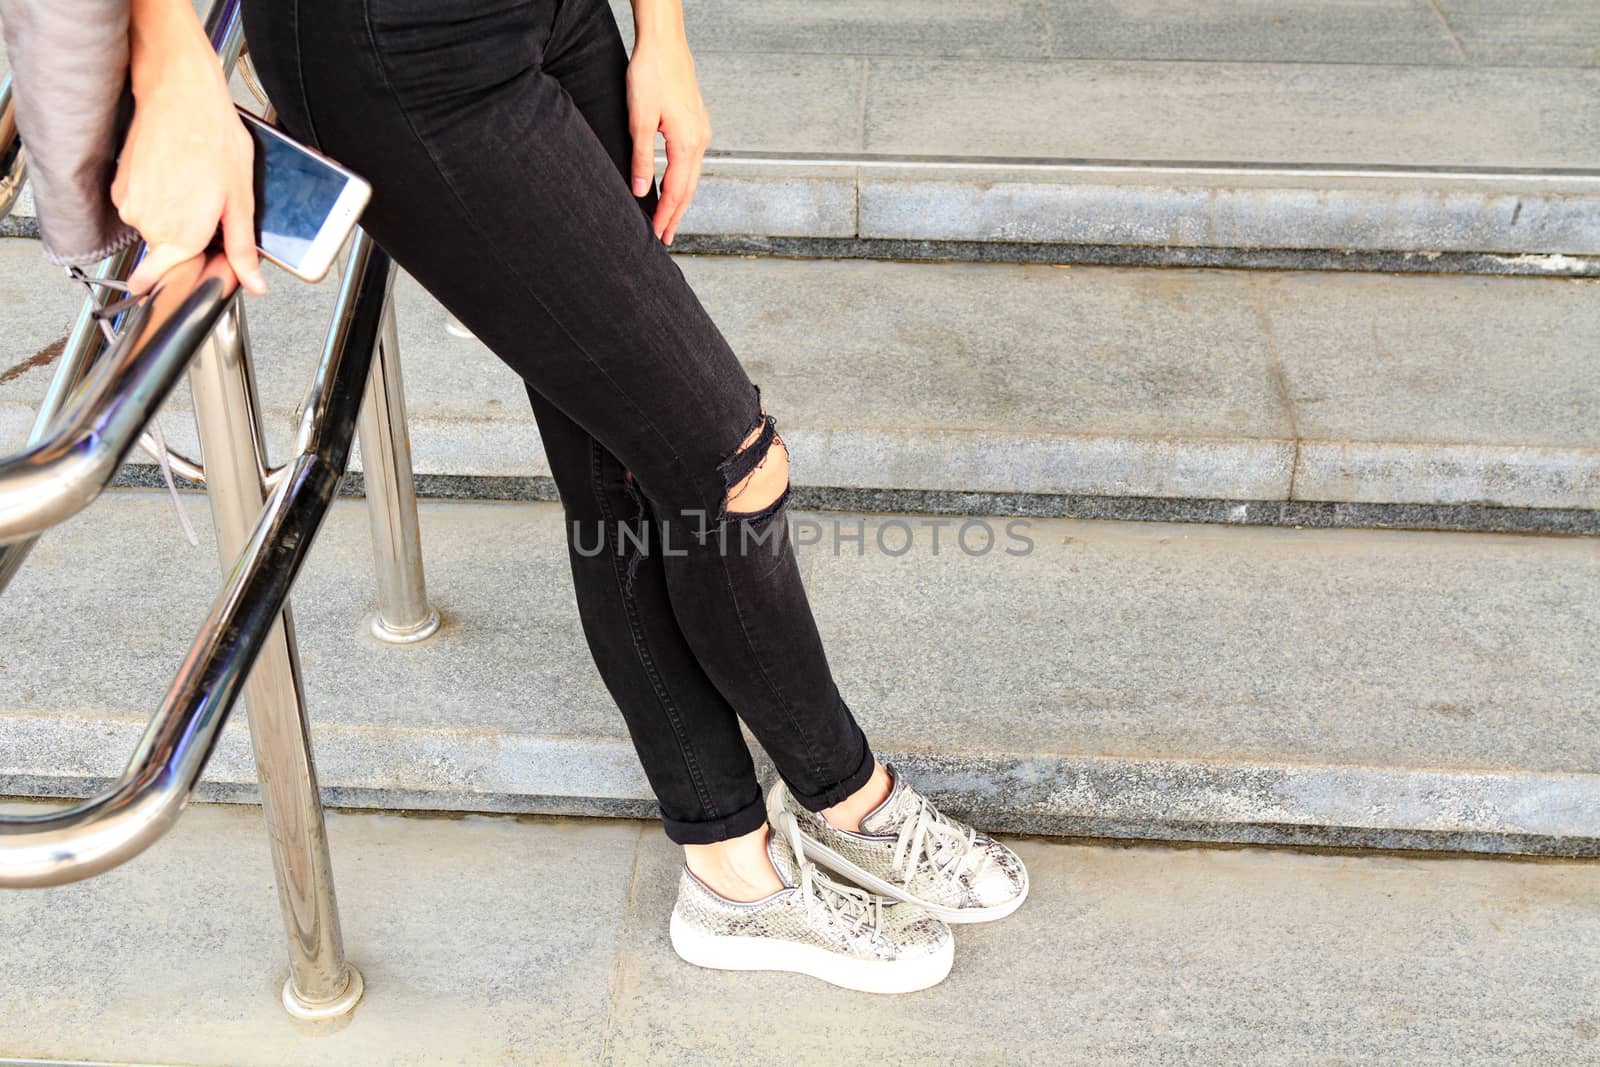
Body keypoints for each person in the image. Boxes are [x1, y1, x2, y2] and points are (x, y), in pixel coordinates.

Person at [116, 0, 1028, 993]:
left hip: (550, 18)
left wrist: (664, 34)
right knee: (729, 463)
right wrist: (173, 67)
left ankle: (728, 860)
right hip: (393, 49)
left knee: (619, 453)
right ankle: (848, 796)